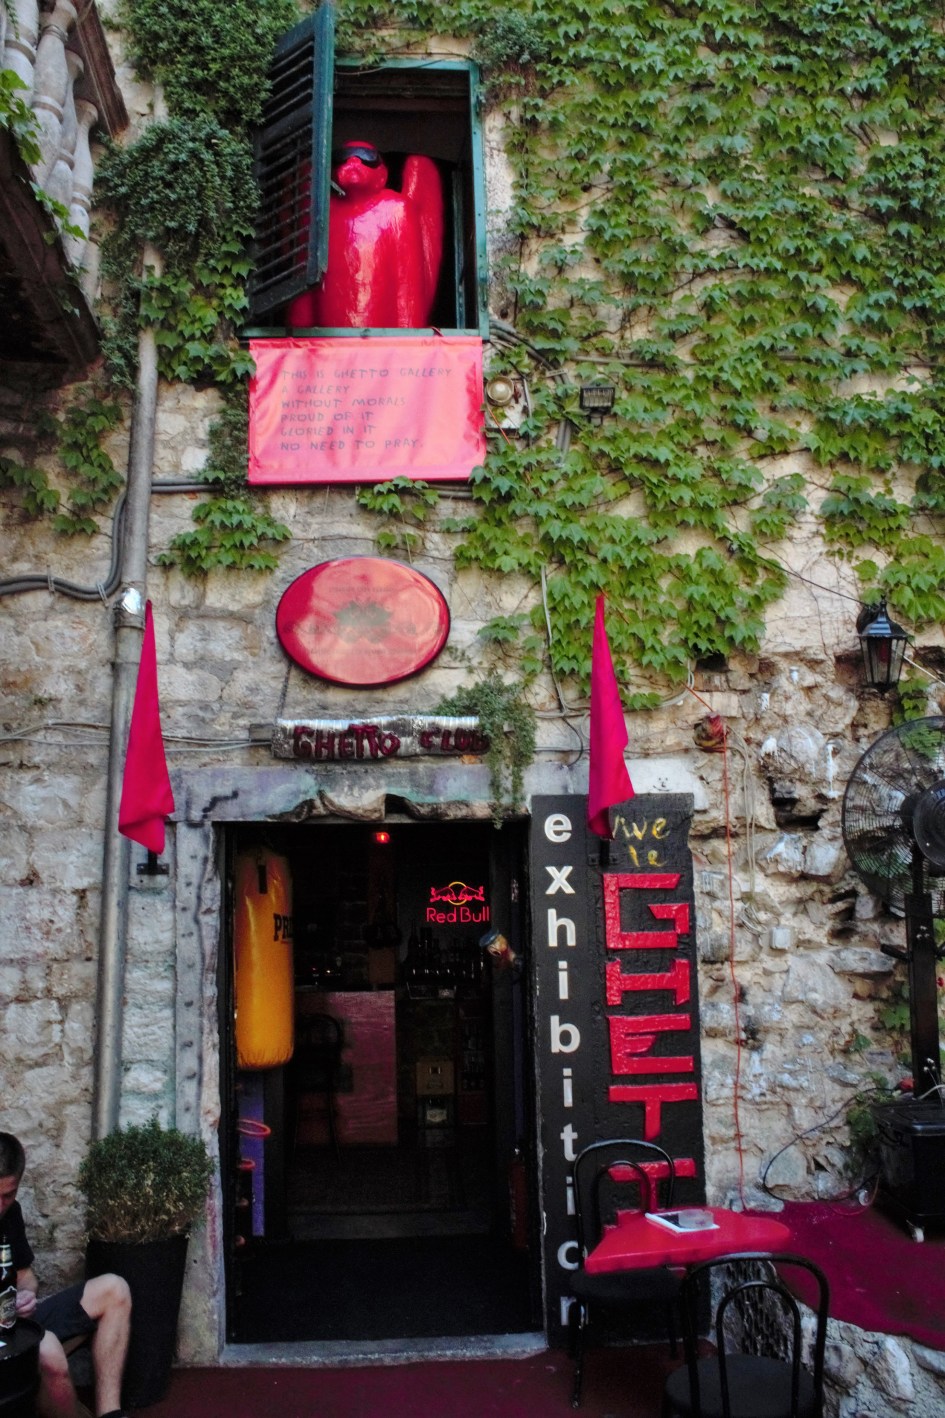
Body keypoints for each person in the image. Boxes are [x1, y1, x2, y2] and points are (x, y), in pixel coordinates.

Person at [0, 1132, 131, 1418]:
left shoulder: (10, 1214)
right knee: (47, 1350)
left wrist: (26, 1296)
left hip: (14, 1326)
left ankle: (110, 1414)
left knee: (115, 1290)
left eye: (7, 1195)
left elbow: (25, 1276)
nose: (0, 1205)